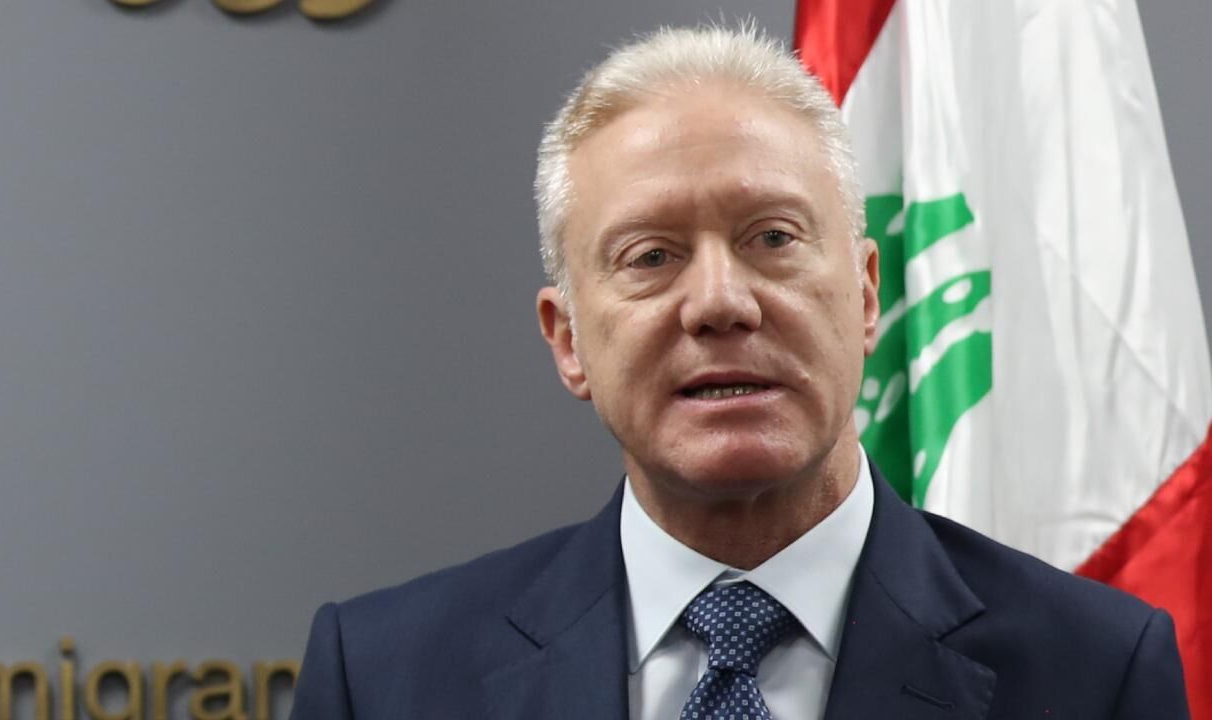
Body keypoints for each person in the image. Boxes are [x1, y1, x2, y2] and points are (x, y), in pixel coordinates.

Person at [288, 25, 1189, 720]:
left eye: (773, 238)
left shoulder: (1095, 671)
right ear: (568, 342)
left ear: (866, 296)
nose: (721, 302)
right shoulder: (383, 678)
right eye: (650, 256)